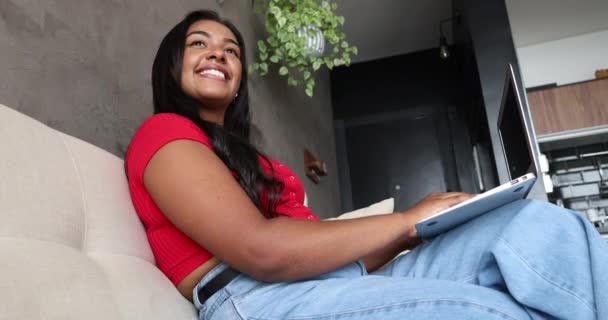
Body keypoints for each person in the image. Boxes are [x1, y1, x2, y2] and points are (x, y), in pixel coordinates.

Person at [125, 9, 608, 320]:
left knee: (533, 225)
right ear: (172, 62)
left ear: (237, 83)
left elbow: (318, 249)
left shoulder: (251, 160)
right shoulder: (165, 133)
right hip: (256, 299)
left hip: (331, 279)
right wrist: (404, 221)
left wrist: (425, 227)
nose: (219, 54)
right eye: (199, 44)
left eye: (231, 50)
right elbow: (261, 251)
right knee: (494, 312)